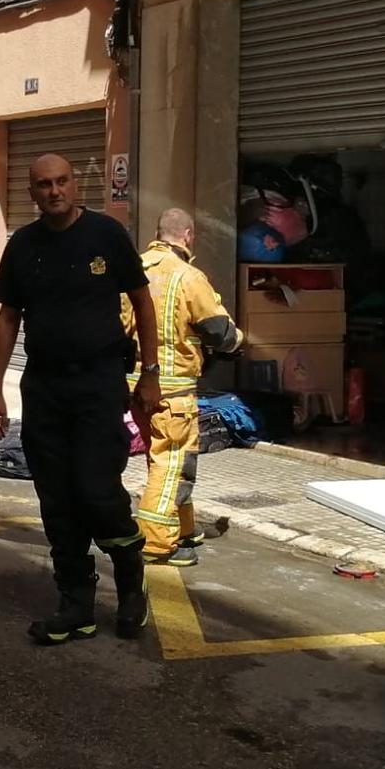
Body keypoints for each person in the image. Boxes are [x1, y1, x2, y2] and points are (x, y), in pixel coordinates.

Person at [0, 155, 161, 645]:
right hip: (43, 388)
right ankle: (76, 605)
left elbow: (143, 301)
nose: (54, 191)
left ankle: (130, 584)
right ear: (32, 191)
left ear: (74, 183)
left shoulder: (106, 234)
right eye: (43, 184)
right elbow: (7, 318)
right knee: (56, 500)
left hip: (99, 386)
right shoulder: (23, 246)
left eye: (61, 181)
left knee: (96, 492)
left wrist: (150, 373)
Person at [127, 208, 243, 567]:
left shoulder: (134, 268)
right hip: (172, 393)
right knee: (173, 463)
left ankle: (185, 528)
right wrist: (238, 340)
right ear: (188, 236)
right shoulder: (188, 277)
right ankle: (157, 542)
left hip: (134, 388)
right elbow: (219, 333)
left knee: (160, 459)